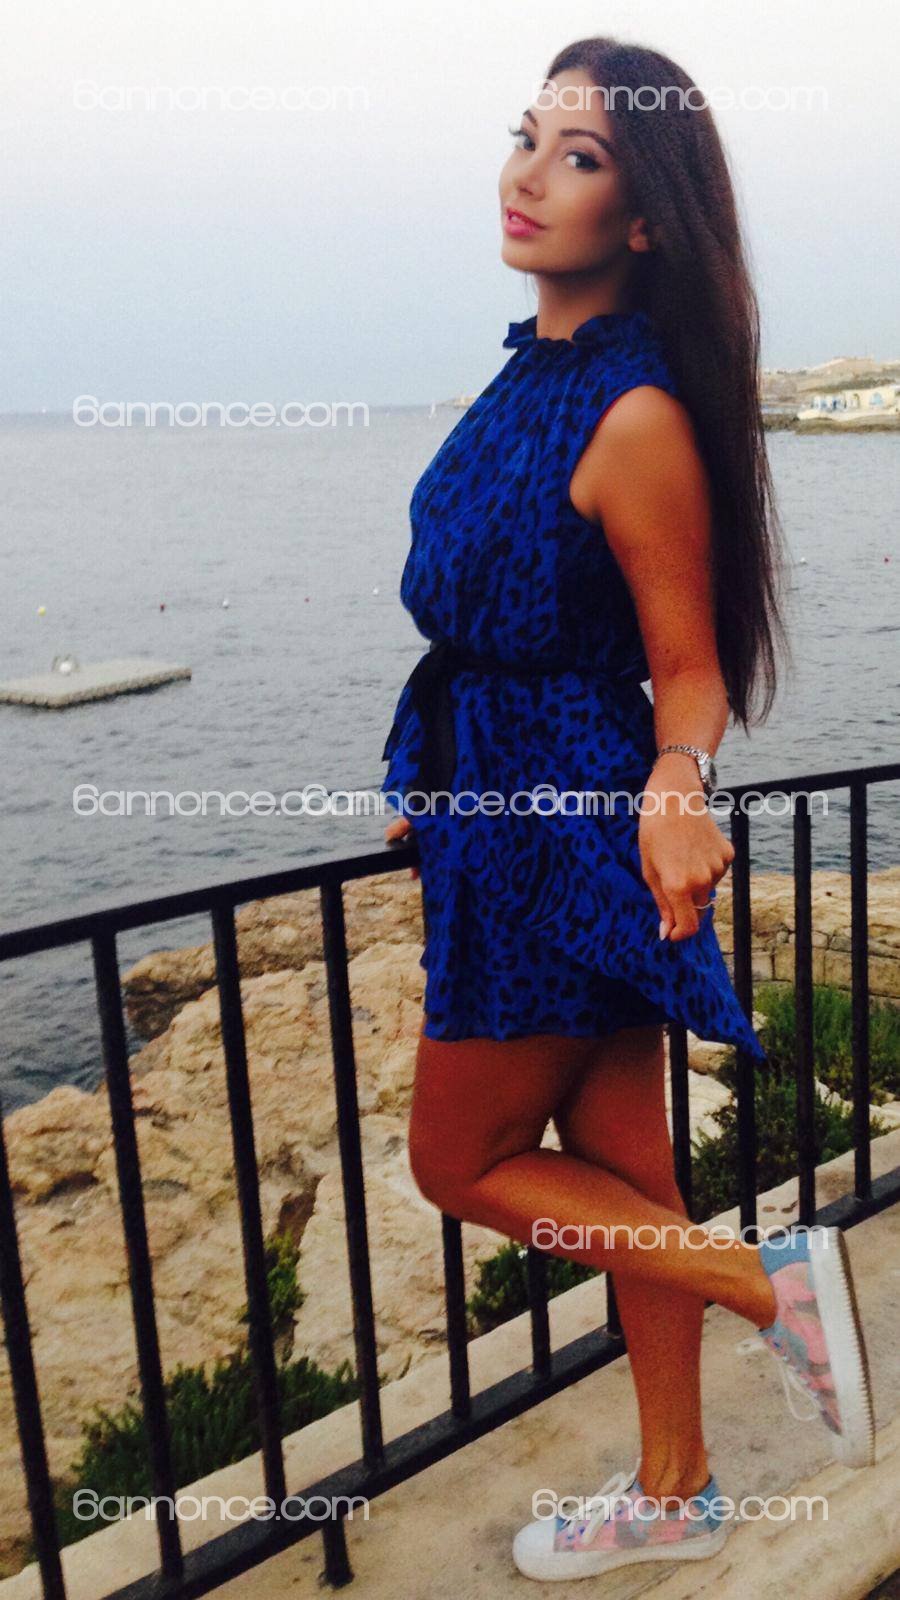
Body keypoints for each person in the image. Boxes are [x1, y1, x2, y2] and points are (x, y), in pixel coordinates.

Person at [381, 35, 875, 1578]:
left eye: (580, 156)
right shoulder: (528, 375)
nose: (529, 176)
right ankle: (678, 1487)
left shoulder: (636, 413)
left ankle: (765, 1286)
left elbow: (689, 668)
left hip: (559, 841)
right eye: (526, 137)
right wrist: (433, 784)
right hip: (493, 811)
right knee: (628, 1180)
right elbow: (496, 630)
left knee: (457, 1162)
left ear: (646, 213)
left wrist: (676, 785)